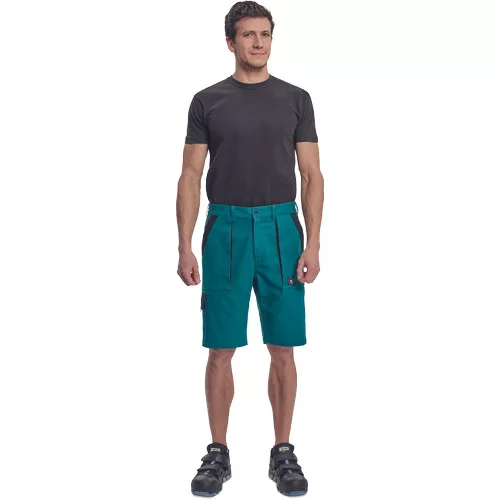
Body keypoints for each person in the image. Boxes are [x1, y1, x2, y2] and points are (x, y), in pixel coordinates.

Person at [176, 1, 323, 496]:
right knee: (221, 347)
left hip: (282, 228)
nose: (258, 43)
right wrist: (184, 245)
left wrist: (313, 243)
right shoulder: (206, 101)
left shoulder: (296, 99)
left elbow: (311, 174)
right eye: (248, 35)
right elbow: (190, 175)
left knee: (283, 346)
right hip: (226, 229)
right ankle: (218, 453)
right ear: (230, 42)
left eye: (265, 34)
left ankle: (283, 452)